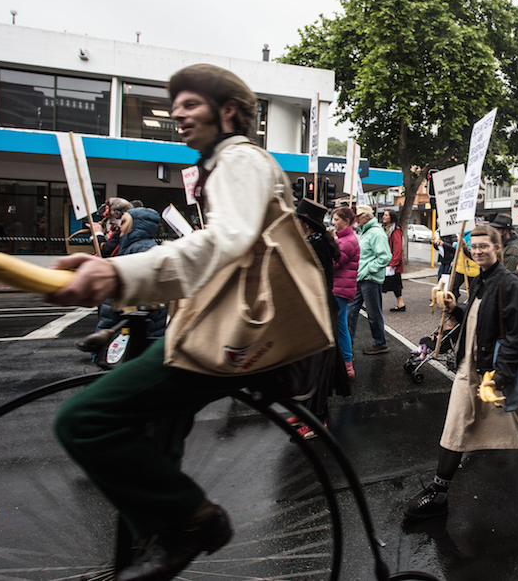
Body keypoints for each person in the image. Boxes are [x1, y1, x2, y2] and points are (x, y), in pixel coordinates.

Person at [48, 64, 317, 581]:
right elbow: (213, 256)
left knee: (82, 421)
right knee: (151, 448)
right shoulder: (228, 167)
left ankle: (195, 523)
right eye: (175, 104)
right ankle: (144, 556)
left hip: (226, 338)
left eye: (191, 103)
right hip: (209, 331)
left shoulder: (240, 160)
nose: (177, 113)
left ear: (230, 112)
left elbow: (222, 246)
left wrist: (113, 274)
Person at [403, 225, 518, 520]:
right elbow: (479, 318)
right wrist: (456, 309)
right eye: (475, 246)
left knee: (516, 424)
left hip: (487, 371)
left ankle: (440, 492)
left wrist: (500, 378)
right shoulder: (482, 280)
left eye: (485, 246)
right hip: (472, 367)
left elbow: (517, 335)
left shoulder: (508, 283)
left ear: (498, 249)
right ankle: (441, 490)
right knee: (464, 425)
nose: (478, 250)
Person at [293, 198, 350, 439]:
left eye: (296, 221)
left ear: (305, 224)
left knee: (318, 368)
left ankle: (318, 420)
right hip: (315, 309)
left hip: (319, 312)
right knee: (309, 365)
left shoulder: (314, 246)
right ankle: (306, 412)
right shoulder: (314, 241)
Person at [93, 206, 169, 367]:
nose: (120, 225)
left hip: (131, 331)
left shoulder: (140, 251)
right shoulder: (134, 248)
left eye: (124, 221)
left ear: (136, 226)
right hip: (134, 331)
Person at [348, 204, 391, 354]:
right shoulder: (366, 232)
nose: (356, 219)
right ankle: (347, 345)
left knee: (373, 313)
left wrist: (367, 270)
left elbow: (385, 257)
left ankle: (381, 343)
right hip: (362, 278)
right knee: (351, 311)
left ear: (367, 216)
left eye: (358, 216)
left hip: (370, 279)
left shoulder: (376, 233)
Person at [331, 206, 360, 377]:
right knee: (341, 326)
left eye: (336, 219)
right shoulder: (344, 239)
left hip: (340, 290)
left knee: (340, 327)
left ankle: (346, 364)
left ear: (346, 221)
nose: (333, 222)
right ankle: (346, 364)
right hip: (340, 288)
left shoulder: (348, 241)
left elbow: (333, 263)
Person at [382, 209, 406, 312]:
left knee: (393, 284)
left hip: (392, 263)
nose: (384, 216)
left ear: (391, 217)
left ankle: (401, 304)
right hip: (388, 261)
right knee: (394, 284)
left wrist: (393, 263)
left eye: (386, 215)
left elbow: (397, 247)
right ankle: (401, 304)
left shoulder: (395, 230)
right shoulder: (385, 229)